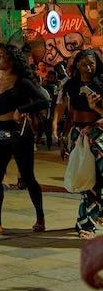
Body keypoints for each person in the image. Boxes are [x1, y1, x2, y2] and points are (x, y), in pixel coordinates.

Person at [0, 44, 49, 236]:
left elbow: (43, 101)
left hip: (20, 135)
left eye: (1, 56)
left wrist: (22, 109)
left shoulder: (22, 82)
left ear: (11, 60)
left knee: (28, 177)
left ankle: (40, 217)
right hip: (0, 136)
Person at [60, 48, 103, 238]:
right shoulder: (71, 84)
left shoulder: (101, 83)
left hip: (98, 134)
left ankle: (89, 223)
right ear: (77, 64)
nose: (88, 67)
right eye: (84, 63)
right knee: (84, 177)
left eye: (92, 63)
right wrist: (64, 133)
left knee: (96, 179)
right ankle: (85, 222)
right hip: (79, 133)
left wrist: (95, 108)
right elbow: (69, 111)